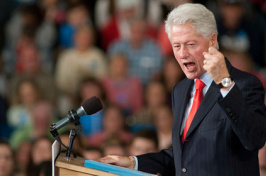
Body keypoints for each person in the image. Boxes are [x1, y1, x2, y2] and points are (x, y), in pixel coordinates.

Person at [98, 3, 266, 176]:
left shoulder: (244, 84)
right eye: (177, 46)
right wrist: (134, 162)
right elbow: (184, 157)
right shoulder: (180, 89)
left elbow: (254, 139)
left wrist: (224, 83)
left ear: (213, 40)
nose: (182, 54)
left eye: (191, 44)